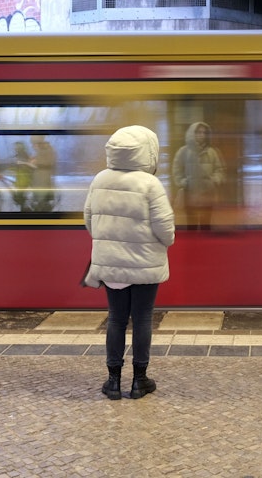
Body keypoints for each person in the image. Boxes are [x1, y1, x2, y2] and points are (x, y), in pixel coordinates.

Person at [83, 125, 175, 400]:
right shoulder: (150, 183)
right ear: (148, 152)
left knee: (116, 319)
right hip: (145, 264)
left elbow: (89, 221)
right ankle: (139, 380)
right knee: (143, 319)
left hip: (111, 265)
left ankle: (113, 381)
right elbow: (165, 230)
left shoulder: (99, 179)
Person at [172, 121, 225, 231]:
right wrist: (183, 182)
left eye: (204, 133)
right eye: (199, 132)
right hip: (190, 194)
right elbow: (177, 170)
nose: (202, 135)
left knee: (206, 226)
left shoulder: (212, 152)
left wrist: (214, 180)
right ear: (192, 134)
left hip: (207, 194)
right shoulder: (183, 152)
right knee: (191, 225)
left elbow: (219, 169)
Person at [30, 134, 57, 211]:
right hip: (39, 176)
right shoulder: (41, 149)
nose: (33, 146)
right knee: (39, 196)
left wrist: (37, 162)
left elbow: (50, 162)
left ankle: (42, 208)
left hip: (43, 176)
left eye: (34, 143)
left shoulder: (47, 149)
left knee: (42, 197)